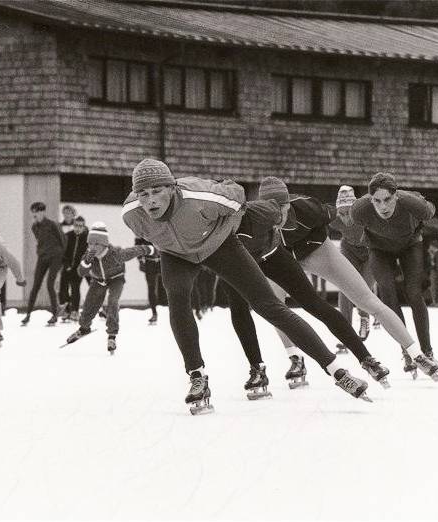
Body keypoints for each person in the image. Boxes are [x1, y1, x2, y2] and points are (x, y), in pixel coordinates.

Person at [122, 158, 371, 414]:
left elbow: (238, 194)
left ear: (172, 188)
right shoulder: (131, 214)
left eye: (156, 192)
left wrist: (227, 226)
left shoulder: (202, 197)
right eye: (143, 194)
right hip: (176, 255)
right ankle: (197, 376)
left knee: (269, 306)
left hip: (219, 245)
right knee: (177, 298)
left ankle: (337, 372)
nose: (150, 200)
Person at [255, 176, 438, 382]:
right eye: (270, 208)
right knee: (275, 304)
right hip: (280, 258)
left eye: (282, 206)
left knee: (366, 298)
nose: (277, 214)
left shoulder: (307, 208)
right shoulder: (254, 219)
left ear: (289, 203)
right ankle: (295, 357)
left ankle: (417, 354)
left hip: (314, 250)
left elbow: (336, 215)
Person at [227, 191, 390, 389]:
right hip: (237, 260)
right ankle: (266, 366)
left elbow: (328, 213)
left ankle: (365, 358)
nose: (281, 217)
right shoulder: (219, 225)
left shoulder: (269, 211)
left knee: (310, 304)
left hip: (272, 256)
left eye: (283, 209)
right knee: (249, 308)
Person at [351, 172, 438, 376]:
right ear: (370, 199)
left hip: (410, 245)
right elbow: (353, 231)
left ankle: (427, 350)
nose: (383, 206)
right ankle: (408, 351)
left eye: (387, 199)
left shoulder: (412, 203)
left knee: (413, 293)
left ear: (396, 196)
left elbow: (430, 212)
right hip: (379, 249)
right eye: (377, 201)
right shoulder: (359, 209)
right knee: (387, 292)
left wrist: (423, 206)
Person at [65, 222, 154, 353]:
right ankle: (84, 328)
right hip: (98, 280)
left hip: (116, 279)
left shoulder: (115, 253)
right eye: (90, 244)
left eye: (96, 244)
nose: (92, 247)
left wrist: (150, 249)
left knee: (113, 302)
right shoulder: (88, 256)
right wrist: (86, 262)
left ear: (104, 244)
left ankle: (112, 335)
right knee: (89, 304)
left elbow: (133, 251)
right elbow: (80, 273)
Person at [329, 186, 375, 349]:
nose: (345, 218)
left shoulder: (365, 213)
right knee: (345, 286)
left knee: (363, 287)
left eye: (349, 213)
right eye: (341, 214)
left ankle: (364, 317)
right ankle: (346, 332)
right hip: (349, 249)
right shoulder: (334, 219)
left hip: (371, 251)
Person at [21, 202, 66, 326]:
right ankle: (28, 314)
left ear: (42, 212)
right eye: (33, 212)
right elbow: (39, 241)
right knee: (35, 285)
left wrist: (63, 258)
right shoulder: (34, 227)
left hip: (56, 257)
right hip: (43, 257)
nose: (34, 214)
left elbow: (63, 240)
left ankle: (54, 314)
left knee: (50, 284)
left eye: (36, 211)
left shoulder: (52, 224)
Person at [58, 215, 88, 321]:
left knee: (75, 288)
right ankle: (66, 308)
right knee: (63, 289)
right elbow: (62, 252)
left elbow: (88, 254)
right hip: (67, 266)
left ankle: (75, 311)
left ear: (84, 227)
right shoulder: (68, 236)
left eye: (80, 226)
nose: (78, 228)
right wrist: (66, 265)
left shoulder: (87, 238)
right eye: (76, 225)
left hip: (79, 268)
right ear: (73, 225)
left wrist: (83, 266)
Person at [135, 237, 162, 325]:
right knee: (151, 288)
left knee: (169, 286)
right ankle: (154, 313)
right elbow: (138, 247)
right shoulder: (142, 228)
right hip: (149, 263)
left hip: (163, 262)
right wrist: (141, 261)